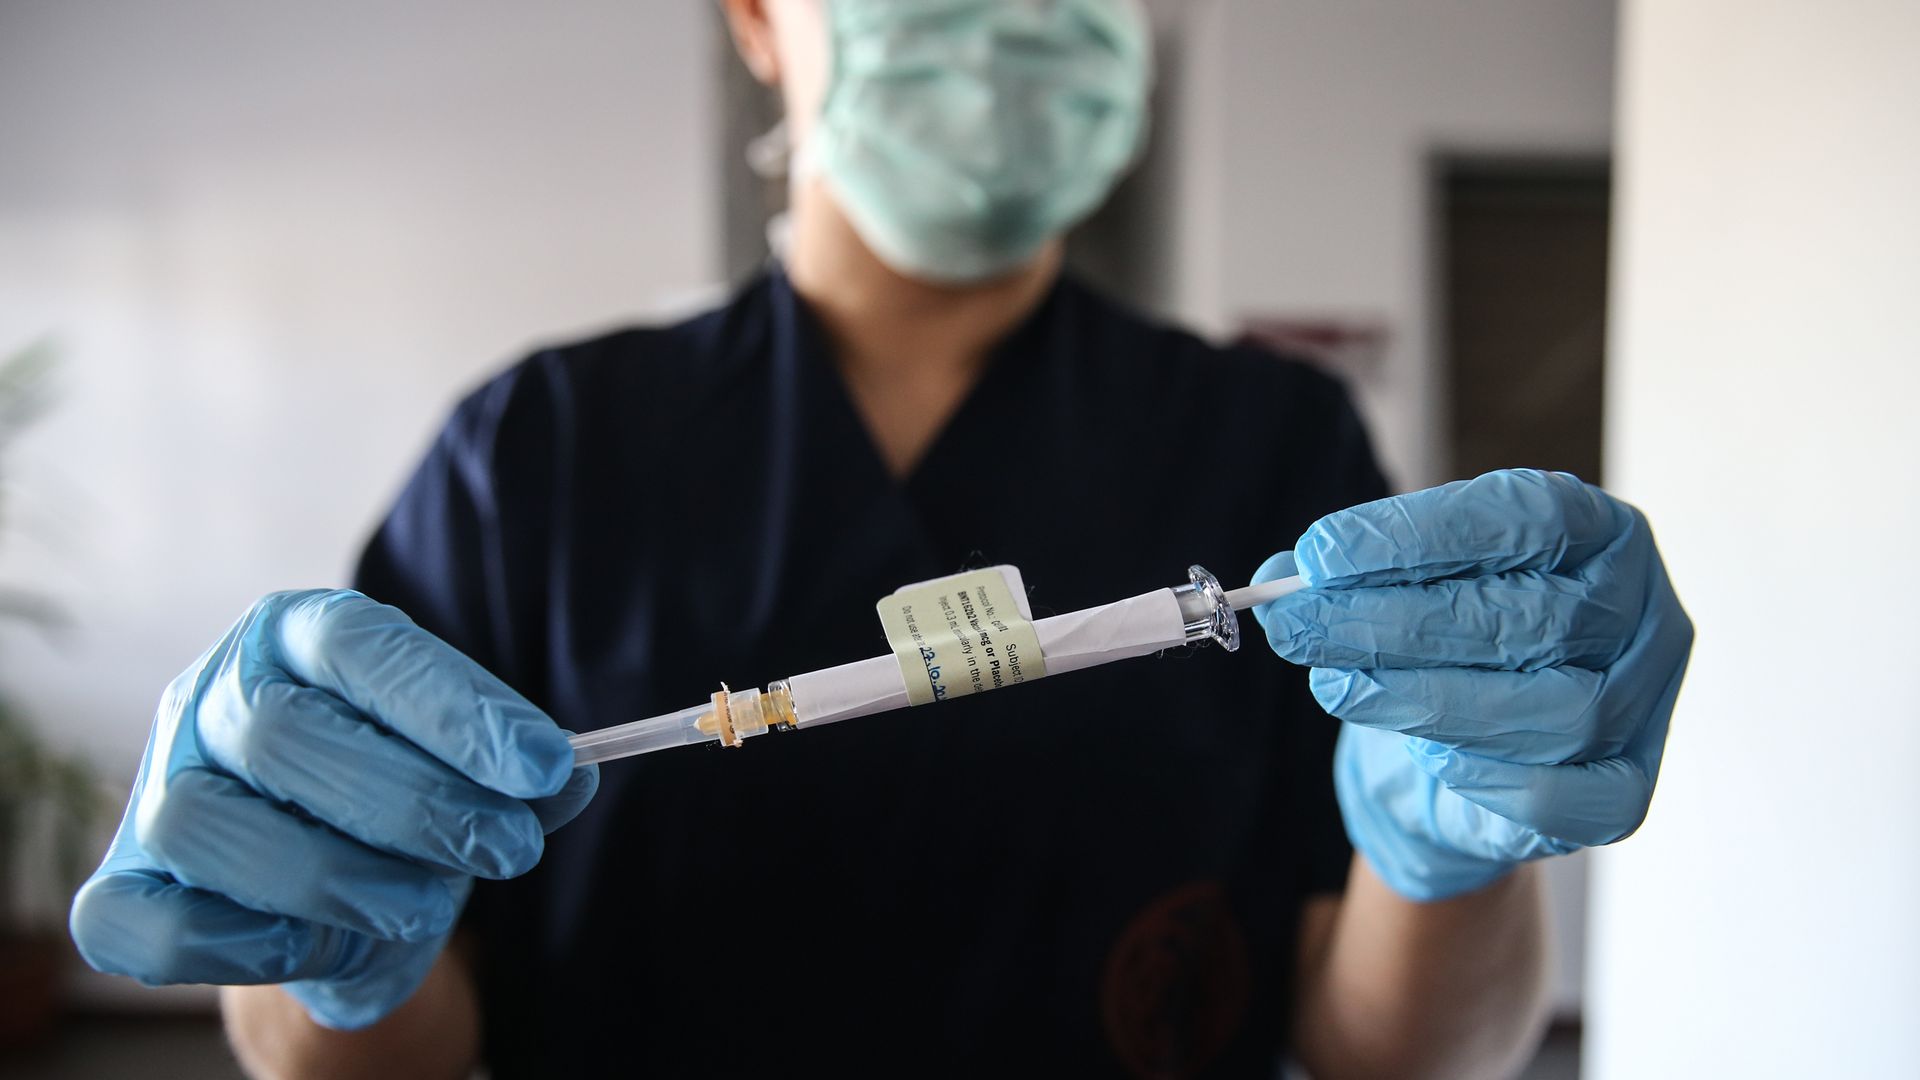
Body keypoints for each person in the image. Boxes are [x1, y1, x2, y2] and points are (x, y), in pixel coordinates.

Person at [69, 1, 1692, 1076]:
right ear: (763, 20)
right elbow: (367, 1051)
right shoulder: (540, 454)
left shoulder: (1278, 449)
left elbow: (1397, 1051)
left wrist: (1459, 854)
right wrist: (324, 954)